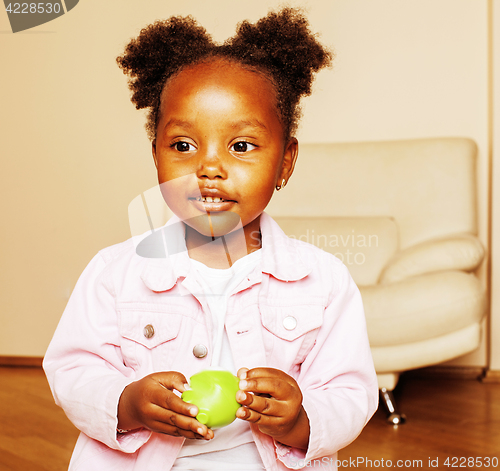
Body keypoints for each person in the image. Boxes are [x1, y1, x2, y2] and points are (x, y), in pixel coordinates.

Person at [43, 7, 378, 471]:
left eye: (241, 146)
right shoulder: (114, 273)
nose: (209, 168)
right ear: (156, 155)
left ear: (285, 162)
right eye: (183, 145)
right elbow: (72, 370)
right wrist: (128, 403)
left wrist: (301, 419)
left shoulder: (322, 281)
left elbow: (351, 391)